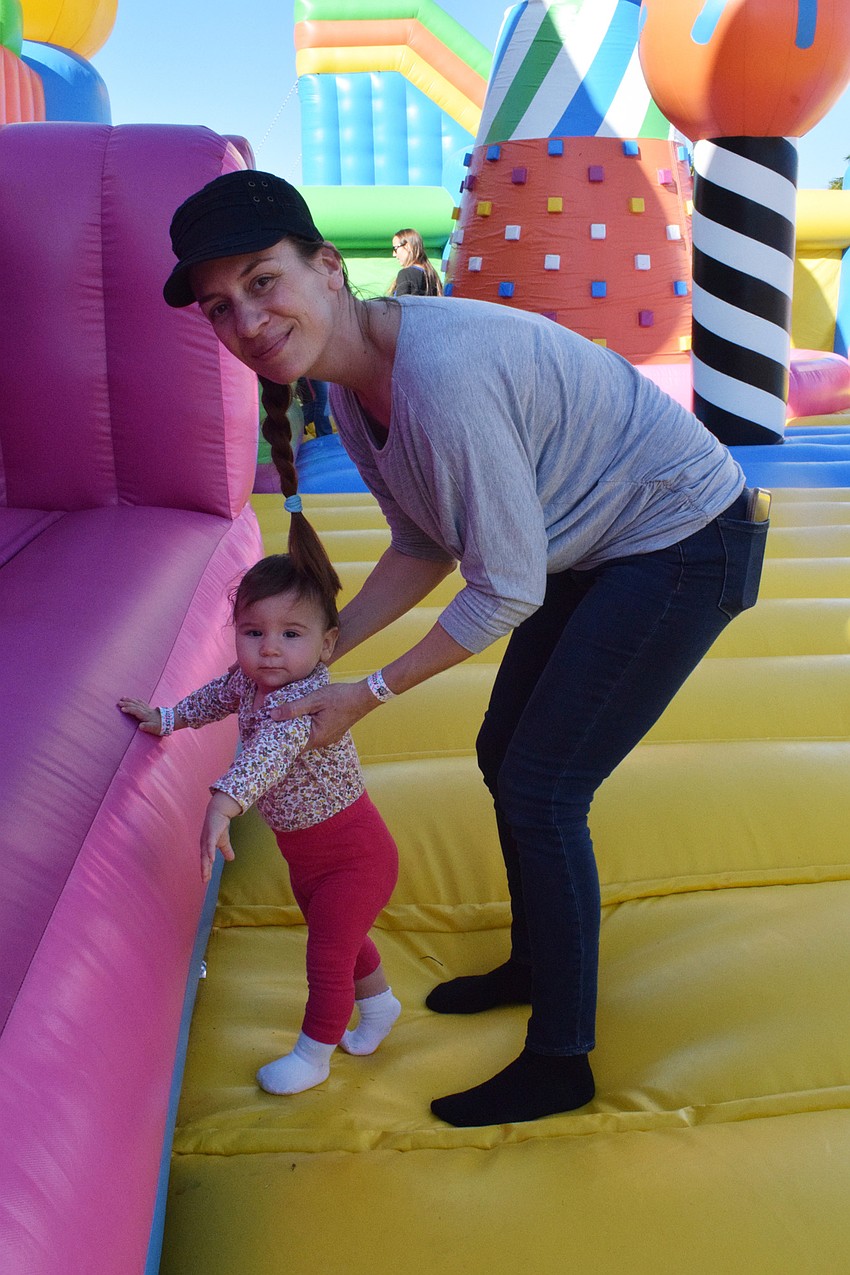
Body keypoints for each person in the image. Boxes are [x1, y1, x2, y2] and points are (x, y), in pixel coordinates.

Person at [161, 169, 769, 1128]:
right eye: (219, 307)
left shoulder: (437, 376)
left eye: (263, 281)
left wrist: (364, 690)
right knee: (503, 755)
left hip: (686, 539)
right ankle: (538, 959)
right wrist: (322, 653)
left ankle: (562, 1059)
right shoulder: (358, 392)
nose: (246, 319)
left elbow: (508, 586)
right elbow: (423, 543)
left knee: (541, 784)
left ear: (328, 268)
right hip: (597, 542)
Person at [119, 549, 401, 1097]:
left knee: (327, 955)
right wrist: (169, 719)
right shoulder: (248, 683)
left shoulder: (304, 701)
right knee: (340, 938)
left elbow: (265, 756)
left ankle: (313, 1054)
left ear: (327, 645)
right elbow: (214, 699)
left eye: (291, 634)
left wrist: (223, 803)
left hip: (356, 857)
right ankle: (380, 1004)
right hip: (310, 860)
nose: (269, 648)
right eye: (253, 632)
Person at [390, 228, 443, 296]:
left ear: (408, 246)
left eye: (395, 248)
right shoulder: (431, 276)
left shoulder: (406, 274)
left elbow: (400, 304)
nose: (394, 254)